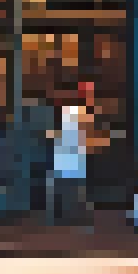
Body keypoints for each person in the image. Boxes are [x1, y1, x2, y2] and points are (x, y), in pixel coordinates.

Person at [49, 88, 90, 225]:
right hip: (70, 158)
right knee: (70, 188)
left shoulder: (73, 112)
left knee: (68, 188)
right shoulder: (78, 112)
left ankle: (64, 215)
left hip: (70, 158)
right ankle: (68, 215)